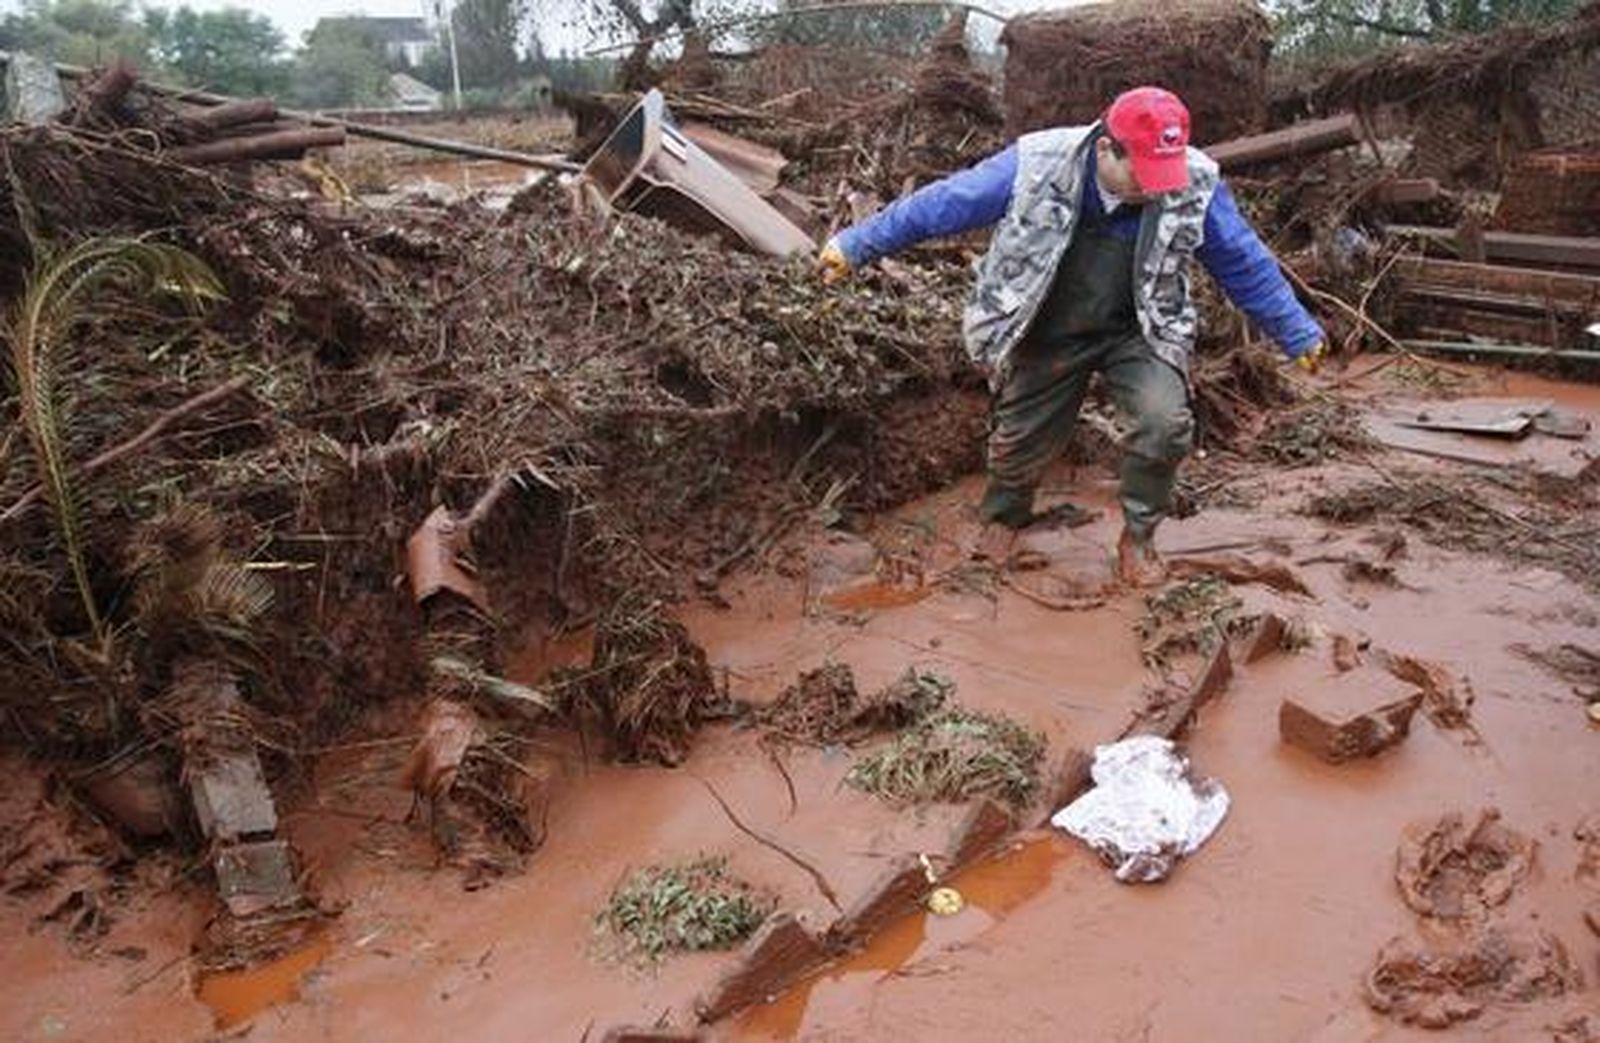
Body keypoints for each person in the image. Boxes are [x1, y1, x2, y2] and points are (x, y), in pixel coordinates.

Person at [817, 87, 1326, 585]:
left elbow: (1242, 260)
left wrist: (1297, 332)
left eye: (1162, 175)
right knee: (1019, 434)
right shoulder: (1038, 163)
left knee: (1164, 423)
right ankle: (1003, 519)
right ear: (1107, 148)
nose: (1155, 188)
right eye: (1143, 173)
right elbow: (942, 204)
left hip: (1142, 327)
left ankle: (1140, 538)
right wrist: (857, 245)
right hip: (1049, 322)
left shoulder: (1194, 181)